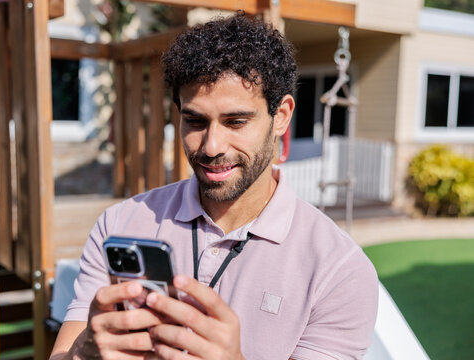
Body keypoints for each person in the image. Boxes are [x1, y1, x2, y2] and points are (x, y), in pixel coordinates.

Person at [50, 13, 378, 360]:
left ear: (280, 116)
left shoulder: (339, 271)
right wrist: (84, 353)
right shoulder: (118, 225)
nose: (211, 146)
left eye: (236, 121)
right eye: (194, 120)